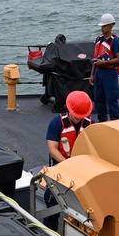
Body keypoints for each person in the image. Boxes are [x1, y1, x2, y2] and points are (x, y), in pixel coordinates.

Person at [42, 91, 93, 227]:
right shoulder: (57, 123)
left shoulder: (90, 124)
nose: (78, 118)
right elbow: (52, 148)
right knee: (51, 199)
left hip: (81, 170)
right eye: (76, 115)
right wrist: (67, 165)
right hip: (61, 167)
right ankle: (49, 231)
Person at [90, 13, 119, 122]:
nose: (102, 28)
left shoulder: (115, 41)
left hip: (109, 74)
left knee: (112, 100)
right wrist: (92, 74)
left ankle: (115, 122)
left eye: (104, 26)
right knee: (99, 100)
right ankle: (102, 122)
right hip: (99, 73)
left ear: (111, 26)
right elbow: (95, 59)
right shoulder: (98, 39)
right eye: (102, 26)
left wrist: (104, 63)